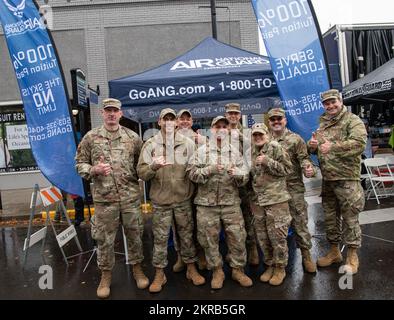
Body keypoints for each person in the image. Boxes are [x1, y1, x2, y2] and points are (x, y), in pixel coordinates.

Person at [75, 98, 148, 299]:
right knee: (104, 240)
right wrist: (93, 169)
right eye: (108, 110)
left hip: (130, 198)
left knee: (134, 235)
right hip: (105, 200)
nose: (111, 114)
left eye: (115, 110)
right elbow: (79, 163)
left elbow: (142, 165)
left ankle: (137, 269)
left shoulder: (132, 137)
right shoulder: (91, 137)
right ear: (102, 113)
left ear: (120, 114)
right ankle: (106, 276)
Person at [137, 108, 205, 293]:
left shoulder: (188, 144)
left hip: (183, 200)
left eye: (171, 119)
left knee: (187, 237)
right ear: (159, 122)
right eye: (164, 119)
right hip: (161, 202)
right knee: (159, 240)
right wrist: (153, 166)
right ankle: (160, 274)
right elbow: (141, 173)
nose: (168, 122)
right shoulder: (150, 144)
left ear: (175, 122)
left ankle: (191, 268)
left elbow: (196, 168)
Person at [187, 116, 253, 289]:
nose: (221, 129)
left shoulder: (235, 152)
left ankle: (237, 270)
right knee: (208, 240)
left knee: (238, 237)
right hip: (206, 205)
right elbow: (191, 174)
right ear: (212, 129)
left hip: (231, 203)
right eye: (218, 127)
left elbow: (245, 176)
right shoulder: (201, 152)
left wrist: (237, 174)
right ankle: (217, 270)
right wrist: (210, 169)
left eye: (225, 127)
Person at [308, 89, 367, 274]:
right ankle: (334, 252)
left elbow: (359, 144)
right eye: (326, 103)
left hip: (347, 179)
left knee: (350, 219)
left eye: (333, 102)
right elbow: (321, 151)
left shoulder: (352, 120)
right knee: (330, 219)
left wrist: (332, 147)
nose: (330, 106)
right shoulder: (322, 123)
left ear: (340, 101)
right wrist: (313, 148)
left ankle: (352, 255)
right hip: (328, 180)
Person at [267, 108, 317, 273]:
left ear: (285, 120)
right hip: (273, 191)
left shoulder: (295, 139)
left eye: (279, 119)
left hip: (293, 188)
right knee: (277, 229)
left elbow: (304, 158)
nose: (276, 122)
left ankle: (306, 255)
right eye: (273, 119)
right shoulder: (264, 139)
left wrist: (308, 169)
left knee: (299, 223)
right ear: (269, 121)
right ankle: (279, 263)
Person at [249, 123, 293, 286]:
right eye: (255, 135)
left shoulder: (275, 148)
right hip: (258, 201)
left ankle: (280, 267)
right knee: (262, 236)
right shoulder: (251, 152)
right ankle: (269, 264)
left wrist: (268, 161)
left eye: (261, 134)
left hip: (276, 201)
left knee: (278, 237)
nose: (258, 137)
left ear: (267, 135)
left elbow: (288, 169)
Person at [171, 109, 207, 273]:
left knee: (198, 224)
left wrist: (204, 142)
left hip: (197, 190)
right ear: (177, 122)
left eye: (188, 119)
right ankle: (181, 256)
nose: (185, 122)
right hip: (178, 190)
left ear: (192, 122)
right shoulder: (169, 138)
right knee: (179, 226)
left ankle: (200, 254)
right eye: (181, 119)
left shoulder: (200, 139)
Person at [224, 103, 259, 266]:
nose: (233, 116)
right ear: (226, 115)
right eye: (230, 113)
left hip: (245, 184)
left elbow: (254, 152)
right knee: (231, 222)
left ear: (240, 115)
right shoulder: (220, 132)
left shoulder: (247, 132)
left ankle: (252, 249)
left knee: (248, 217)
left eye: (236, 113)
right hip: (227, 185)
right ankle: (234, 252)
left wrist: (239, 136)